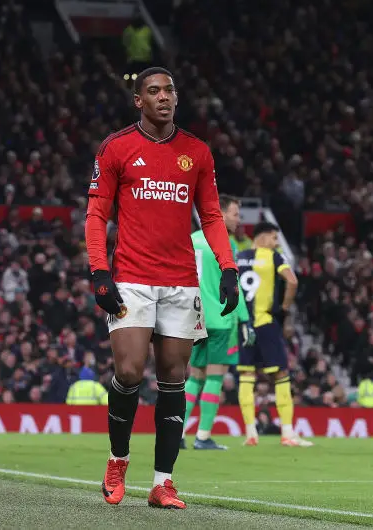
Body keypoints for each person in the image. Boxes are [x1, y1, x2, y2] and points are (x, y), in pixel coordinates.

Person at [86, 66, 240, 510]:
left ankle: (163, 483)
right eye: (153, 91)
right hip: (132, 278)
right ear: (139, 100)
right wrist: (100, 271)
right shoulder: (116, 148)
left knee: (175, 377)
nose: (163, 97)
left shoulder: (198, 152)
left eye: (169, 89)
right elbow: (97, 215)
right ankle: (118, 461)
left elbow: (211, 215)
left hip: (181, 282)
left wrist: (226, 267)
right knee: (131, 372)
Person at [181, 194, 254, 451]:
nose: (238, 219)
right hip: (221, 319)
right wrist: (245, 320)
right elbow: (233, 287)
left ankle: (178, 433)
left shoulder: (191, 240)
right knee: (214, 378)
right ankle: (202, 436)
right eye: (235, 213)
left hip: (195, 319)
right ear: (220, 214)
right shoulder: (225, 244)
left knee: (195, 376)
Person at [235, 222, 310, 447]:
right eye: (274, 238)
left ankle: (250, 434)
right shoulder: (273, 256)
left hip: (244, 324)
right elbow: (292, 281)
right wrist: (284, 309)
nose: (276, 243)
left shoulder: (238, 256)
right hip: (266, 322)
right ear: (264, 237)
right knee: (281, 374)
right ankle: (287, 434)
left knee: (247, 376)